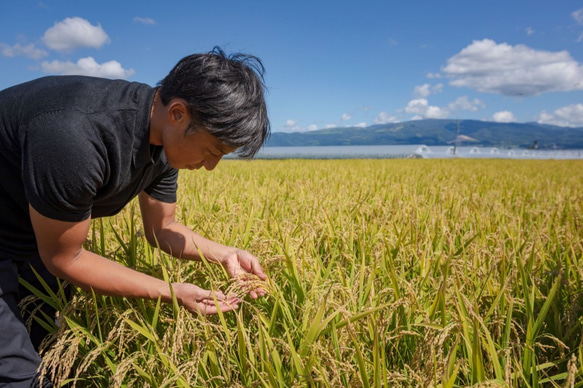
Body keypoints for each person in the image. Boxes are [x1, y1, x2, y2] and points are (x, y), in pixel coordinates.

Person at [0, 47, 270, 388]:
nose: (211, 165)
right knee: (19, 377)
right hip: (36, 239)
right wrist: (172, 292)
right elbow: (65, 258)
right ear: (178, 113)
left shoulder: (164, 145)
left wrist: (226, 254)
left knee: (45, 341)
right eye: (211, 150)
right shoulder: (75, 136)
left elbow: (162, 229)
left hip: (35, 231)